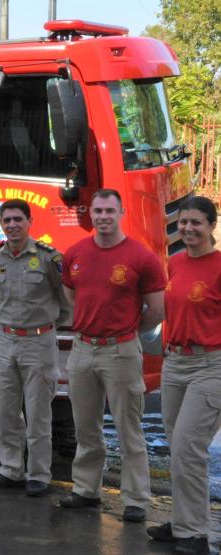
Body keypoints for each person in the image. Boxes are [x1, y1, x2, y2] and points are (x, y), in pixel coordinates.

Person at [59, 189, 165, 523]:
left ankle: (135, 500)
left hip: (120, 351)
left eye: (110, 211)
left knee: (128, 426)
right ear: (90, 213)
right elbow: (70, 295)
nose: (103, 217)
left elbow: (157, 309)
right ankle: (86, 489)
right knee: (85, 426)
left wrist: (127, 329)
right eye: (98, 211)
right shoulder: (75, 253)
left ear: (120, 213)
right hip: (82, 350)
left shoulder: (141, 256)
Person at [146, 196, 220, 555]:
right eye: (183, 222)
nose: (188, 228)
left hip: (211, 366)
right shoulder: (174, 263)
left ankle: (195, 535)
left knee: (188, 448)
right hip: (175, 363)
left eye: (196, 223)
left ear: (211, 226)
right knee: (178, 448)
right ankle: (183, 523)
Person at [0, 199, 71, 496]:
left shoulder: (49, 258)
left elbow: (65, 297)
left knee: (37, 411)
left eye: (18, 219)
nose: (12, 225)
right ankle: (10, 469)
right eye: (6, 220)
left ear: (30, 221)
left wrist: (53, 325)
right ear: (1, 224)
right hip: (6, 339)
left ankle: (38, 474)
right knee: (6, 410)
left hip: (38, 341)